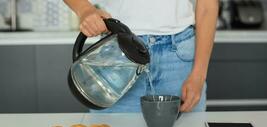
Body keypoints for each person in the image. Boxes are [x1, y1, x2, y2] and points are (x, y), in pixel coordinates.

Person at [64, 0, 218, 113]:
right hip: (117, 54)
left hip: (178, 61)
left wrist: (199, 74)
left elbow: (207, 5)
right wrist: (84, 9)